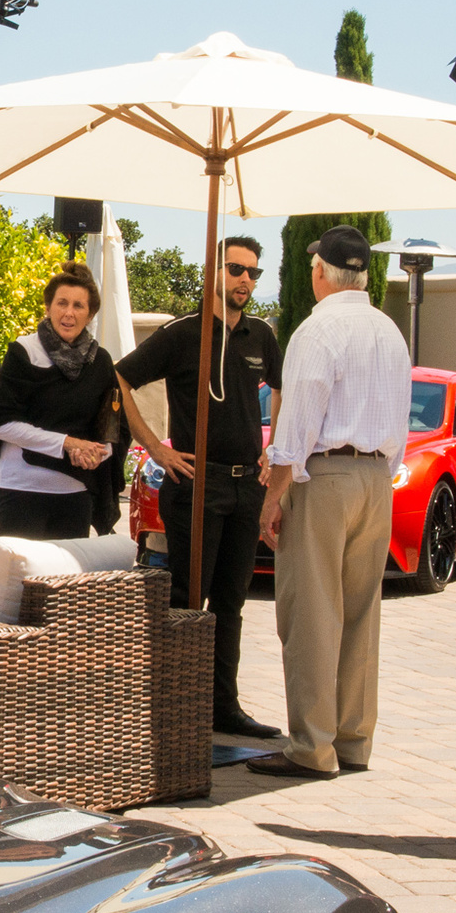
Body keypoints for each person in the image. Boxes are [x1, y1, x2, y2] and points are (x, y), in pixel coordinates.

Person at [251, 226, 410, 779]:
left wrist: (275, 496)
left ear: (318, 272)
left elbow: (295, 427)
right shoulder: (389, 330)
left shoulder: (317, 331)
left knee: (311, 613)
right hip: (375, 478)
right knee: (362, 613)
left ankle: (311, 748)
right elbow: (399, 421)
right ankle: (352, 740)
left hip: (324, 476)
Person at [116, 234, 285, 742]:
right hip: (195, 486)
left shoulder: (261, 336)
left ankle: (223, 707)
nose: (245, 281)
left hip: (244, 487)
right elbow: (121, 378)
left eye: (253, 272)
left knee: (232, 602)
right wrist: (154, 448)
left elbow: (281, 388)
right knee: (190, 598)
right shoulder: (183, 334)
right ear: (213, 271)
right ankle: (174, 705)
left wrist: (271, 450)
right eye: (235, 269)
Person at [0, 262, 122, 540]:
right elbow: (3, 425)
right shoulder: (24, 351)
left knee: (66, 583)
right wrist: (67, 444)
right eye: (62, 303)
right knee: (20, 580)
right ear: (48, 308)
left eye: (78, 306)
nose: (69, 313)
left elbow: (111, 428)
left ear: (91, 314)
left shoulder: (101, 362)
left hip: (75, 493)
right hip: (21, 490)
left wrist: (96, 454)